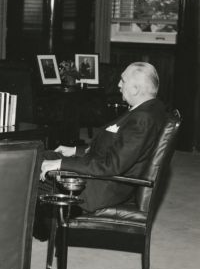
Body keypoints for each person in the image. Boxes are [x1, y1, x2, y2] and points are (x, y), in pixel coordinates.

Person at [39, 61, 167, 213]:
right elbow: (114, 147)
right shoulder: (146, 109)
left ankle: (29, 231)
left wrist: (60, 164)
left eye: (123, 81)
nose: (119, 85)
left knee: (27, 169)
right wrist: (75, 151)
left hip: (100, 188)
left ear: (135, 89)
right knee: (37, 158)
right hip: (98, 175)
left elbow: (111, 165)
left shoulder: (142, 119)